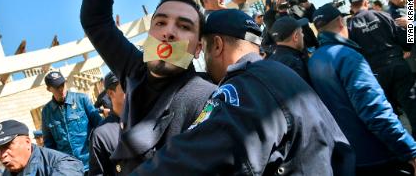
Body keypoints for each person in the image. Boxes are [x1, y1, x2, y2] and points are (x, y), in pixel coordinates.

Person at [132, 9, 354, 175]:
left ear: (217, 45)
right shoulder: (280, 73)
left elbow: (197, 154)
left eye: (205, 50)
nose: (205, 61)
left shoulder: (243, 85)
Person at [80, 0, 216, 174]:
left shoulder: (206, 98)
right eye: (161, 22)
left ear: (198, 48)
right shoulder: (134, 70)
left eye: (184, 26)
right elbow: (95, 19)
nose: (169, 31)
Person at [309, 4, 416, 175]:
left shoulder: (314, 60)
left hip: (352, 154)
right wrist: (409, 150)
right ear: (340, 21)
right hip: (378, 152)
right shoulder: (347, 56)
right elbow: (375, 111)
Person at [347, 0, 416, 136]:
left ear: (351, 6)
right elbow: (406, 39)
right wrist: (406, 48)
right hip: (397, 65)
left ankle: (403, 147)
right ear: (366, 2)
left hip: (375, 74)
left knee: (388, 111)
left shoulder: (350, 27)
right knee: (411, 104)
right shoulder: (382, 15)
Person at [41, 71, 102, 173]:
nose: (61, 89)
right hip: (69, 169)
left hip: (93, 162)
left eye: (62, 85)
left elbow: (100, 125)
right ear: (49, 89)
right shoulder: (47, 112)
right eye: (57, 87)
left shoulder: (82, 99)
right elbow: (49, 144)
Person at [0, 120, 84, 175]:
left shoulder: (62, 165)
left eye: (7, 146)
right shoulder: (8, 172)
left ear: (27, 142)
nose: (2, 155)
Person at [89, 72, 125, 176]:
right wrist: (102, 110)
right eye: (125, 86)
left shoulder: (149, 116)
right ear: (110, 93)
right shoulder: (101, 135)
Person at [268, 16, 311, 84]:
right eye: (301, 32)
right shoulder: (295, 64)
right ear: (296, 37)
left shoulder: (270, 61)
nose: (303, 35)